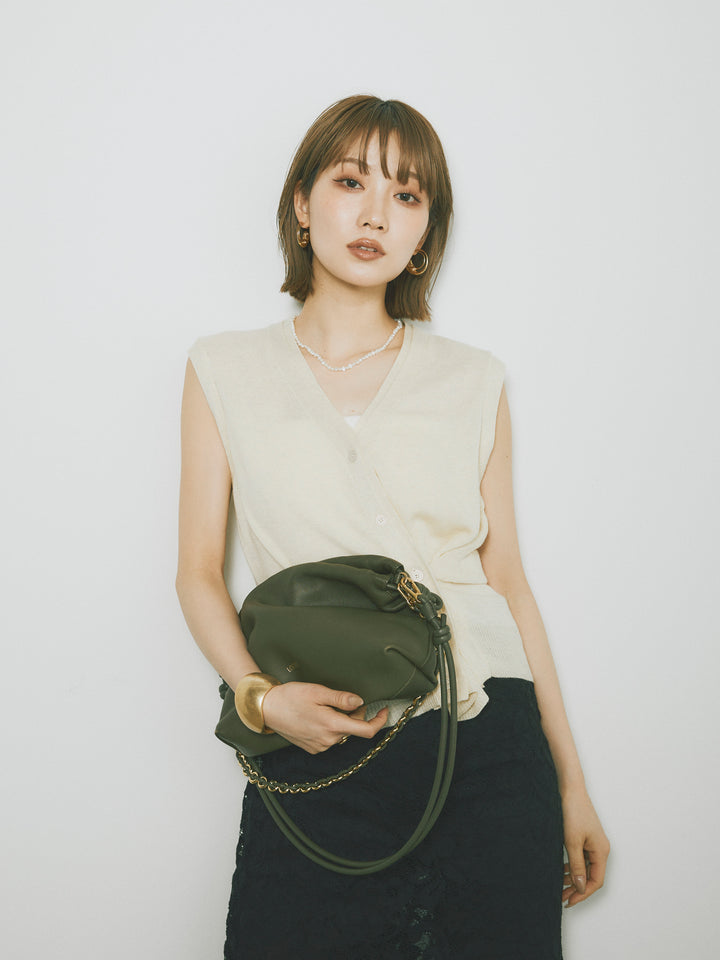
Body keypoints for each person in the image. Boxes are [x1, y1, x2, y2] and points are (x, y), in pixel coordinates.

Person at [176, 94, 609, 959]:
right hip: (320, 738)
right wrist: (260, 697)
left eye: (407, 195)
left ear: (424, 234)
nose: (376, 214)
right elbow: (196, 572)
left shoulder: (474, 380)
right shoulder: (223, 369)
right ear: (302, 205)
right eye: (351, 182)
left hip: (488, 746)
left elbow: (506, 583)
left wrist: (571, 785)